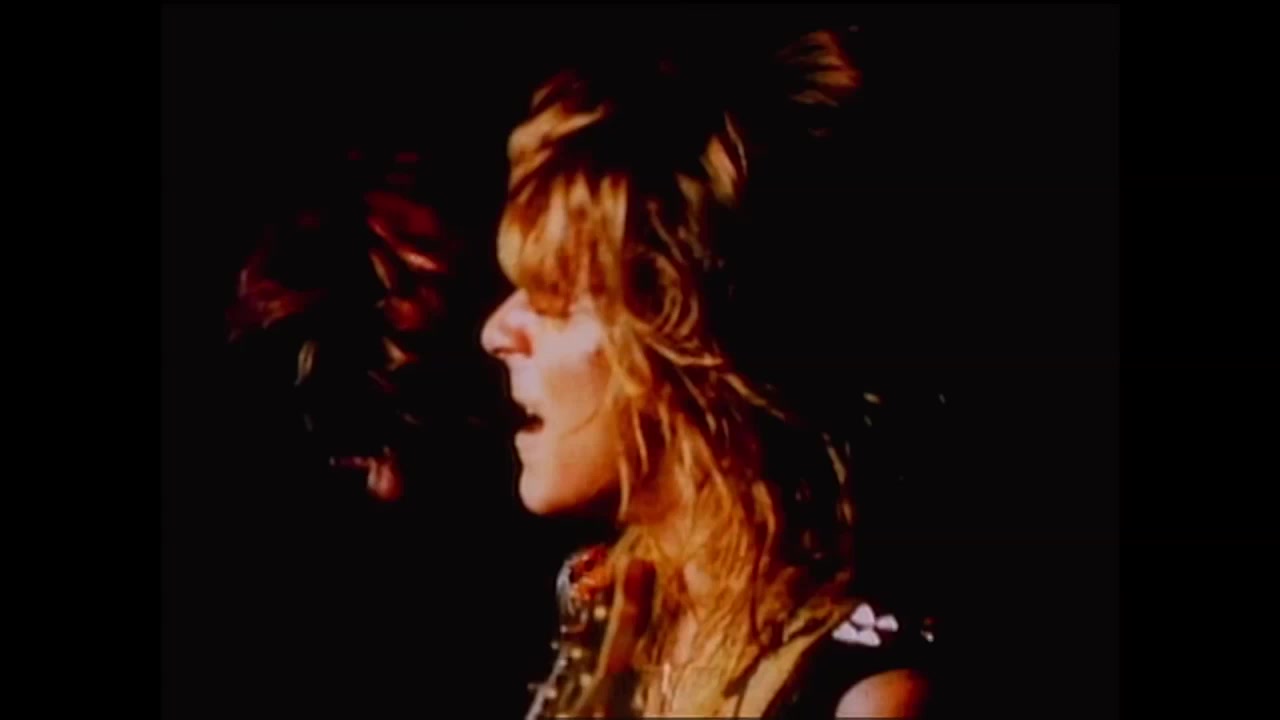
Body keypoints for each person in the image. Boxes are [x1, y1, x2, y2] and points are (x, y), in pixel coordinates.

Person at [480, 28, 936, 719]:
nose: (496, 332)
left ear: (695, 332)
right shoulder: (604, 614)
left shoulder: (870, 699)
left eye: (557, 294)